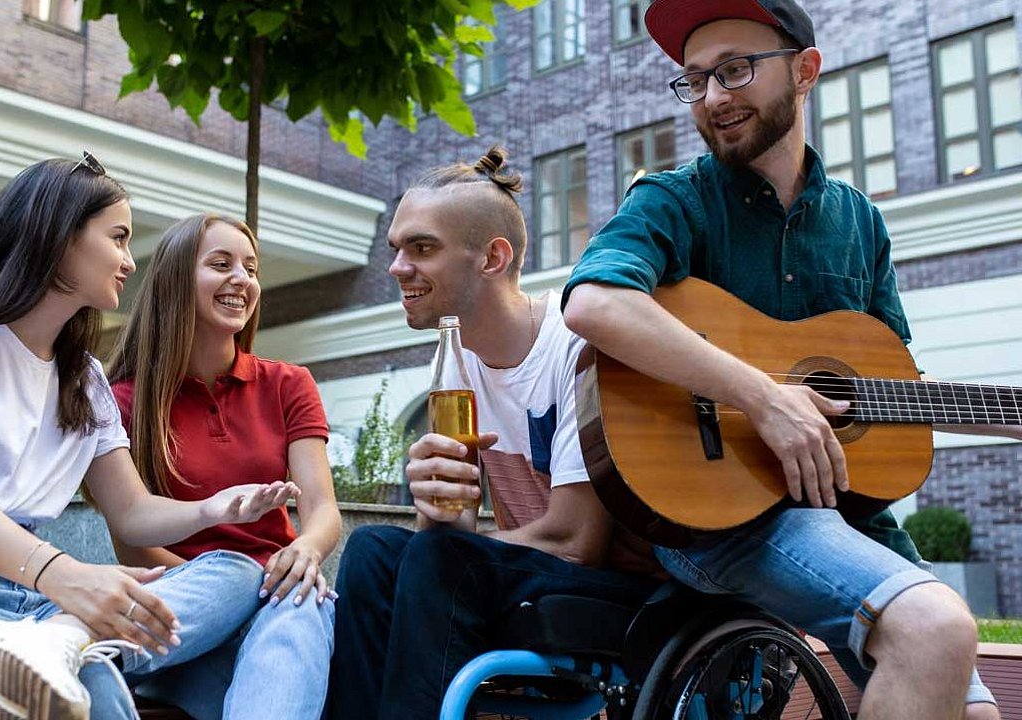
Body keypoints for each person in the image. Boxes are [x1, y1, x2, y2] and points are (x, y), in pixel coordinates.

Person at [562, 2, 1022, 718]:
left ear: (805, 70)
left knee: (974, 711)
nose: (713, 97)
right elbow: (594, 303)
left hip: (850, 518)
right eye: (694, 80)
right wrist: (762, 397)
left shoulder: (858, 221)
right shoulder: (672, 200)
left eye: (735, 69)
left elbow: (891, 384)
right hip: (718, 516)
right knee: (934, 627)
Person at [0, 155, 298, 720]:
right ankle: (64, 644)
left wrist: (211, 509)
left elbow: (132, 514)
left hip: (40, 608)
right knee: (85, 688)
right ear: (60, 236)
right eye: (118, 238)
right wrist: (64, 575)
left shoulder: (82, 378)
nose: (131, 262)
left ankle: (61, 639)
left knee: (234, 571)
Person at [326, 146, 662, 720]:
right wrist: (437, 504)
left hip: (621, 591)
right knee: (371, 549)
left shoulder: (575, 344)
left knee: (433, 560)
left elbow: (576, 542)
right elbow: (452, 531)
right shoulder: (456, 364)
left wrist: (442, 546)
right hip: (518, 577)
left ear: (492, 257)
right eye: (396, 249)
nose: (397, 268)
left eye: (422, 248)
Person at [103, 213, 340, 720]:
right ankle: (84, 643)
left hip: (275, 600)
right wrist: (233, 593)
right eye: (221, 263)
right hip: (181, 609)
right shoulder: (123, 401)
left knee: (302, 604)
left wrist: (304, 552)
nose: (242, 279)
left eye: (250, 268)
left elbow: (321, 509)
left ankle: (81, 652)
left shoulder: (287, 384)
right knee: (239, 581)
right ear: (176, 281)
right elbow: (134, 542)